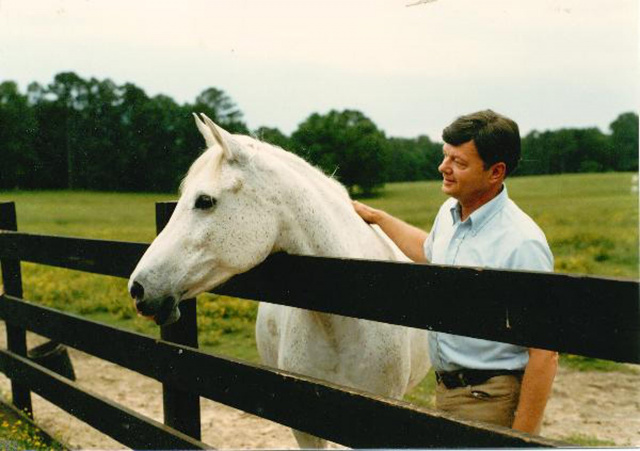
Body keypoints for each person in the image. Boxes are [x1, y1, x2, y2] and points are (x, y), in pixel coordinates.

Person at [352, 109, 557, 434]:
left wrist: (523, 437)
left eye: (459, 163)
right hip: (448, 390)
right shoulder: (450, 212)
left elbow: (544, 353)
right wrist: (378, 218)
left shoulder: (522, 242)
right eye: (445, 156)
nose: (443, 168)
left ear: (495, 172)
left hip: (489, 398)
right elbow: (431, 252)